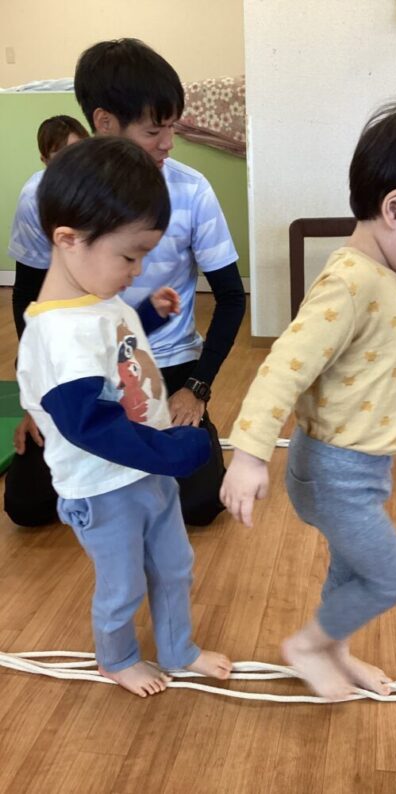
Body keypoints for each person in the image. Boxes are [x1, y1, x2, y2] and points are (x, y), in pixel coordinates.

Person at [220, 101, 396, 702]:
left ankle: (333, 648)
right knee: (390, 576)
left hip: (361, 469)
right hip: (334, 472)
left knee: (351, 570)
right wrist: (250, 454)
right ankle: (309, 645)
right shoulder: (349, 282)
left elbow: (384, 353)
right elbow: (281, 369)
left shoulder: (383, 280)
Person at [16, 136, 232, 697]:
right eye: (129, 256)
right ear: (68, 240)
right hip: (103, 487)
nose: (137, 270)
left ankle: (179, 648)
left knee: (174, 564)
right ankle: (116, 659)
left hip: (144, 469)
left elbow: (113, 347)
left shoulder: (95, 298)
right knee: (124, 584)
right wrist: (173, 452)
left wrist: (146, 316)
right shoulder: (55, 334)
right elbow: (89, 423)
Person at [5, 38, 246, 528]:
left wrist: (195, 388)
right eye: (154, 130)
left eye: (172, 127)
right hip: (80, 368)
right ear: (105, 122)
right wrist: (38, 400)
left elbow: (229, 295)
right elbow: (27, 299)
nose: (169, 143)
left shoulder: (191, 190)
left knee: (201, 503)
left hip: (165, 363)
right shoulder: (43, 195)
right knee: (27, 506)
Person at [10, 115, 89, 339]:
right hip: (52, 284)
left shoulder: (104, 184)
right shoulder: (34, 200)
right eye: (61, 156)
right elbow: (28, 287)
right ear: (45, 160)